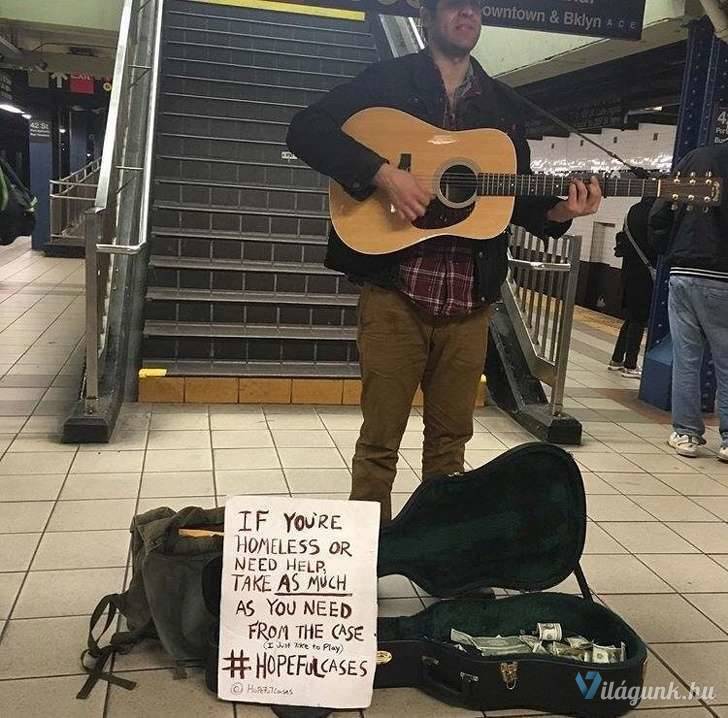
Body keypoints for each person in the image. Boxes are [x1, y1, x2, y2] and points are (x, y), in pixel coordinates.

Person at [287, 0, 602, 521]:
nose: (469, 14)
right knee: (379, 442)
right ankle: (369, 559)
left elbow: (512, 200)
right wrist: (383, 173)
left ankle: (441, 552)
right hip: (395, 292)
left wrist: (561, 211)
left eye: (477, 7)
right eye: (456, 5)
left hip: (471, 301)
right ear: (428, 17)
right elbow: (305, 130)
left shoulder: (502, 106)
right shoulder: (385, 81)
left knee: (450, 448)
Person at [649, 143, 728, 462]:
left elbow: (659, 213)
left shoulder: (694, 158)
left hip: (683, 271)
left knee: (686, 358)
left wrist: (669, 250)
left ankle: (686, 434)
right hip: (724, 274)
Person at [608, 198, 657, 378]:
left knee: (631, 317)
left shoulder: (633, 210)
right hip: (644, 273)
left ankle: (616, 359)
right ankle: (630, 365)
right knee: (639, 318)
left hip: (628, 270)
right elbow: (655, 243)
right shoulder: (653, 212)